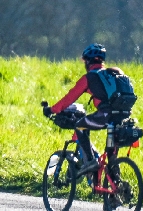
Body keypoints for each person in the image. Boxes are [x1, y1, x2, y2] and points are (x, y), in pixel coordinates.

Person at [43, 43, 127, 176]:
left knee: (80, 126)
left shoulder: (89, 78)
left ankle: (90, 161)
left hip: (105, 116)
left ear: (88, 61)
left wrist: (51, 110)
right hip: (123, 116)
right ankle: (116, 188)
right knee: (111, 157)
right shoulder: (112, 74)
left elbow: (68, 99)